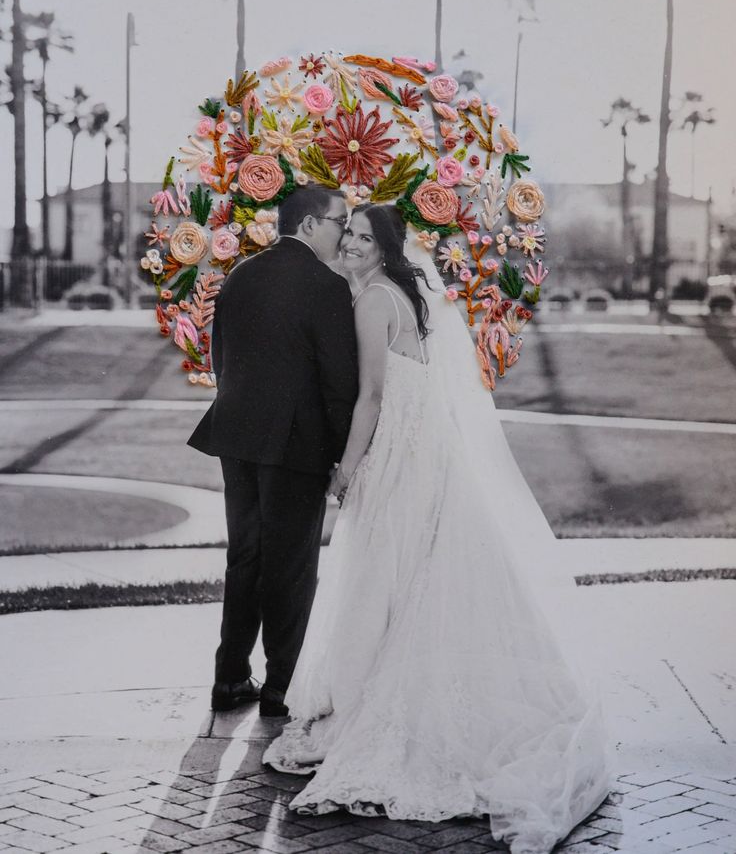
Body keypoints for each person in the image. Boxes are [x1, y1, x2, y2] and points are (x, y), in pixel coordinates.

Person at [263, 204, 611, 854]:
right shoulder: (412, 294)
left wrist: (348, 465)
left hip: (398, 450)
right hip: (434, 451)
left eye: (367, 238)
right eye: (352, 235)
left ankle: (377, 705)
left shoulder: (372, 303)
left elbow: (371, 396)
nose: (354, 246)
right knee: (421, 577)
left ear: (387, 245)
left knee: (384, 576)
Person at [188, 185, 359, 718]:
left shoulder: (240, 273)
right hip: (296, 443)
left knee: (245, 557)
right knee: (290, 565)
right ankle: (281, 686)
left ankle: (230, 678)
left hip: (236, 436)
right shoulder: (326, 286)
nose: (345, 233)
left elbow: (220, 359)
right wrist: (340, 454)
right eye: (340, 222)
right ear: (309, 225)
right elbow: (339, 384)